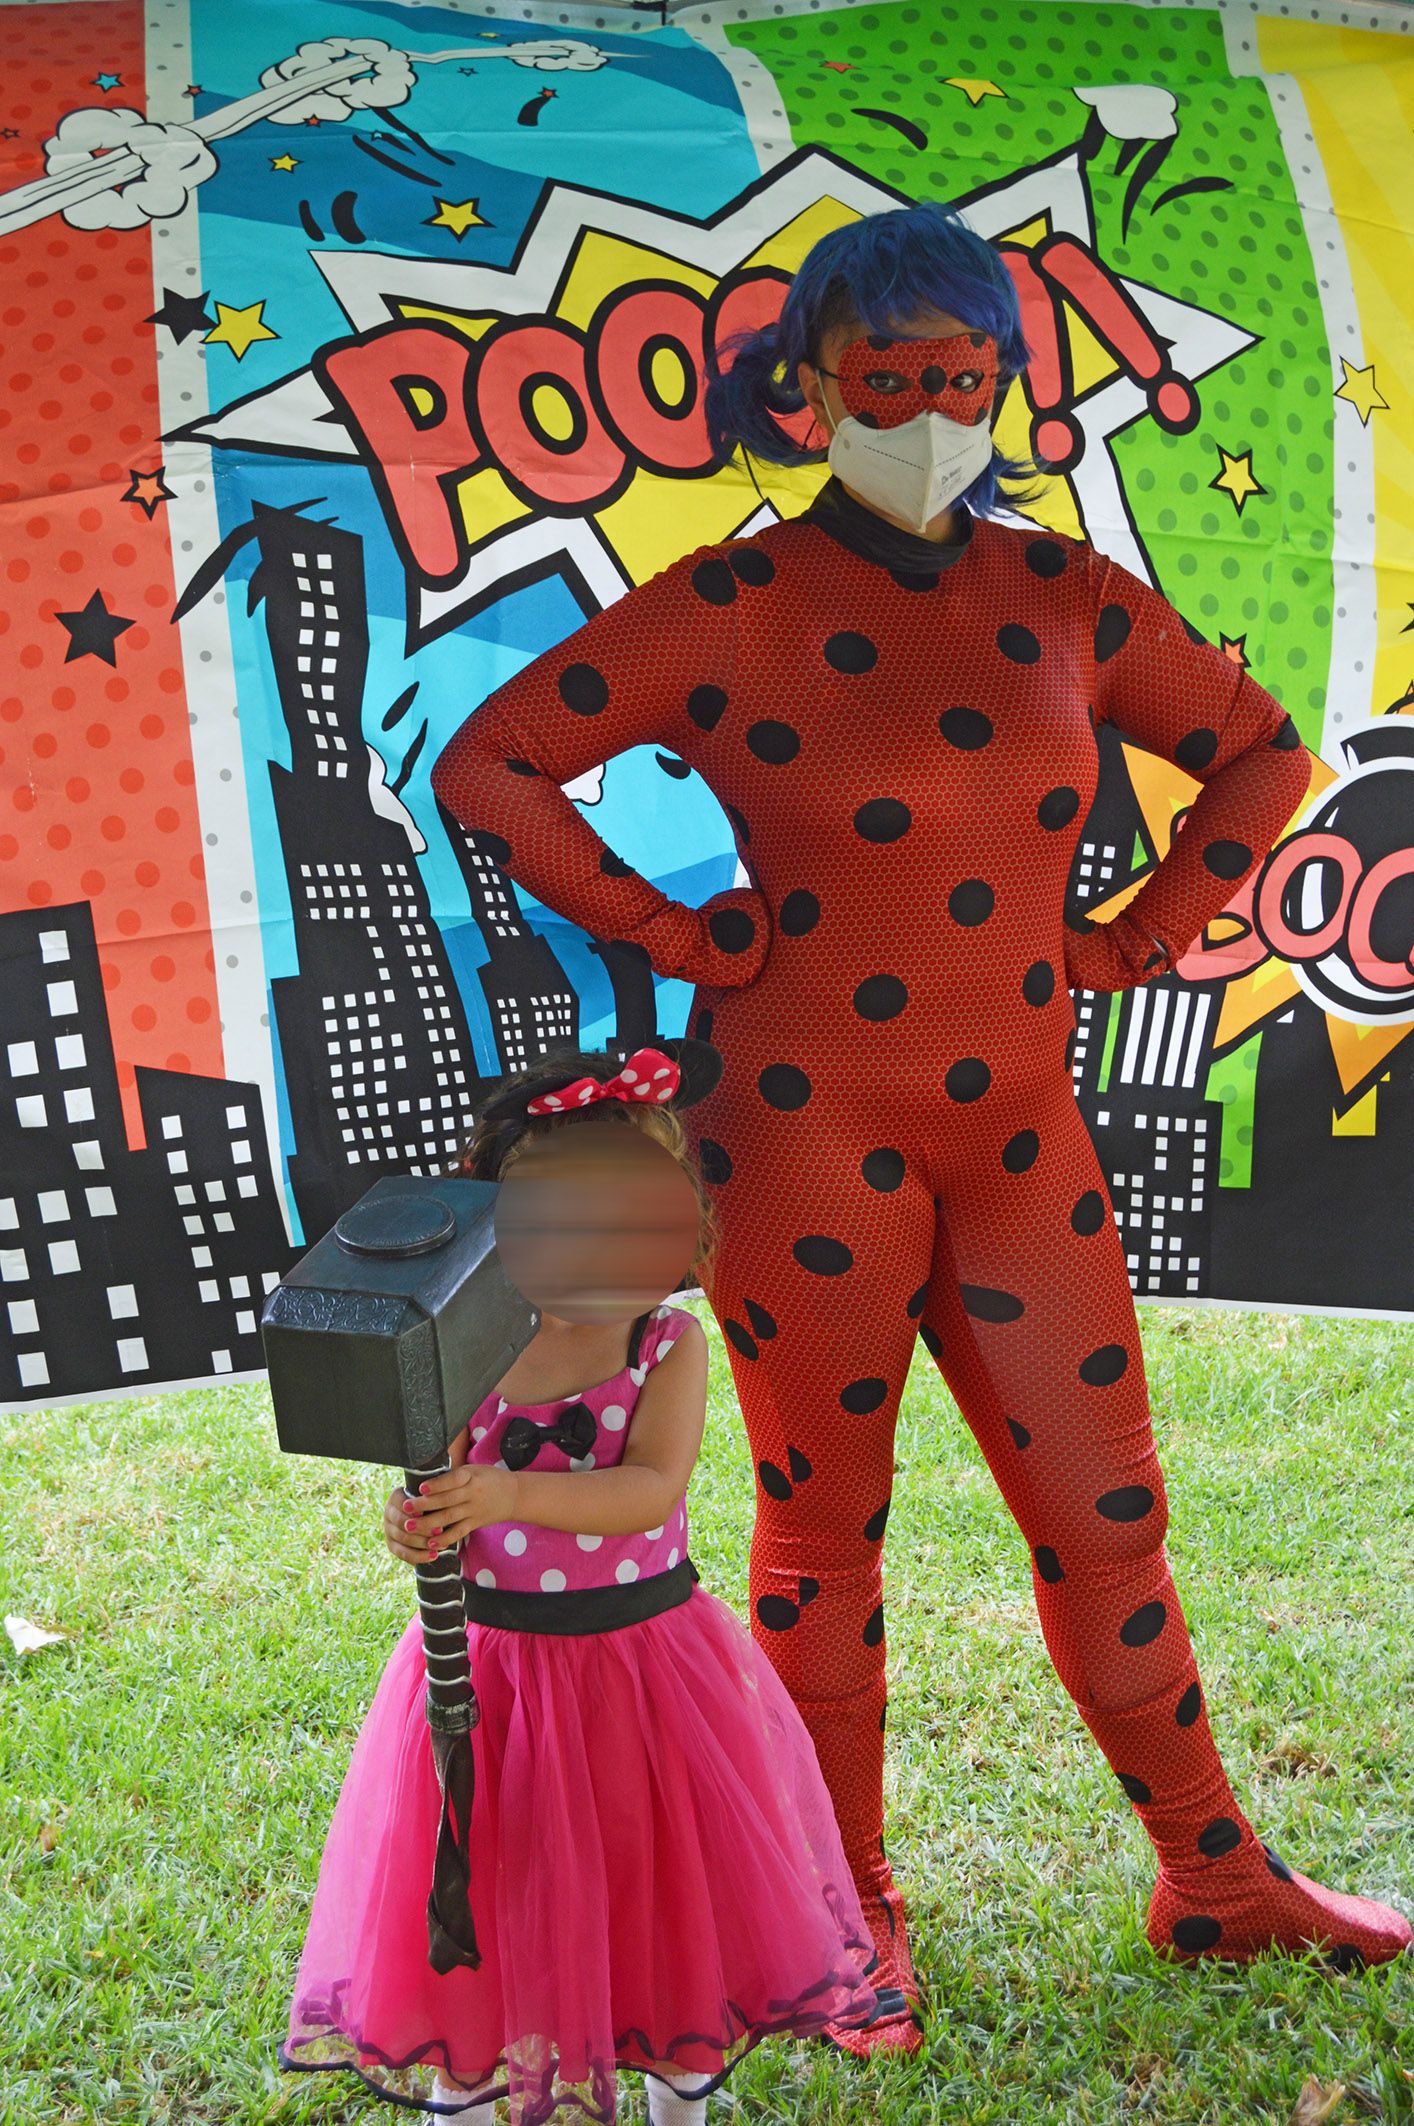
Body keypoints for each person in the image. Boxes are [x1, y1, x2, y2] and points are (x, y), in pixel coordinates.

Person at [426, 198, 1412, 2053]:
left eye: (961, 384)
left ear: (1002, 390)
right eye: (887, 385)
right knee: (824, 1537)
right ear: (806, 392)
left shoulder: (1058, 596)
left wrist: (1138, 933)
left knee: (1105, 1516)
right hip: (799, 1132)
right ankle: (832, 1913)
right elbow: (488, 762)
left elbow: (1262, 747)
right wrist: (667, 927)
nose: (928, 418)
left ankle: (1211, 1873)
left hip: (1016, 1133)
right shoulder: (724, 606)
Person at [277, 1042, 878, 2125]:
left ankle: (675, 2089)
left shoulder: (665, 1343)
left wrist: (504, 1496)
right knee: (487, 1880)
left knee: (649, 1883)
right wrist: (425, 1522)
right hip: (486, 1669)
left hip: (639, 1670)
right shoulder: (471, 1341)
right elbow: (442, 1478)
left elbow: (648, 1489)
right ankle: (464, 2084)